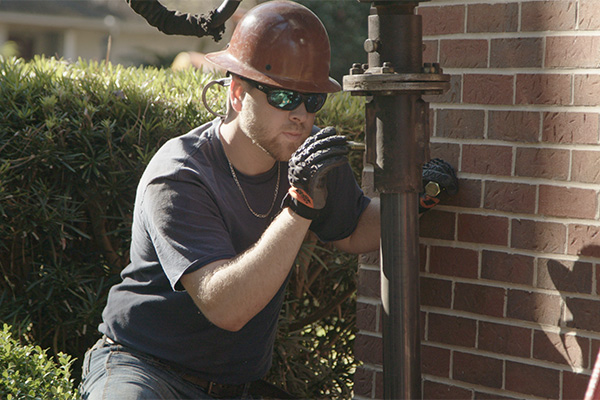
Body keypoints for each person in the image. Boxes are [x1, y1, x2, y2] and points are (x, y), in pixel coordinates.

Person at [79, 1, 458, 399]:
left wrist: (417, 198)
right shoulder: (179, 175)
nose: (301, 115)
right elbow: (226, 307)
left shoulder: (306, 154)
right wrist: (299, 207)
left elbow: (352, 230)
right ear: (239, 94)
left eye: (312, 101)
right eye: (283, 98)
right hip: (146, 371)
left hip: (235, 387)